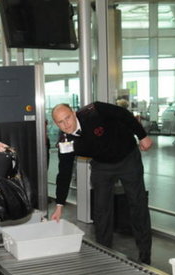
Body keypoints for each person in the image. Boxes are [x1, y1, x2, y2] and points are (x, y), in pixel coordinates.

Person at [50, 102, 153, 265]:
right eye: (60, 122)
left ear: (74, 113)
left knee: (137, 205)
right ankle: (104, 253)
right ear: (56, 124)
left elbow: (123, 114)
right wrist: (59, 204)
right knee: (101, 210)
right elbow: (64, 173)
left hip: (127, 156)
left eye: (67, 118)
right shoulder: (65, 143)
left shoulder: (95, 111)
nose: (66, 124)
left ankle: (145, 256)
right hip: (102, 165)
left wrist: (142, 136)